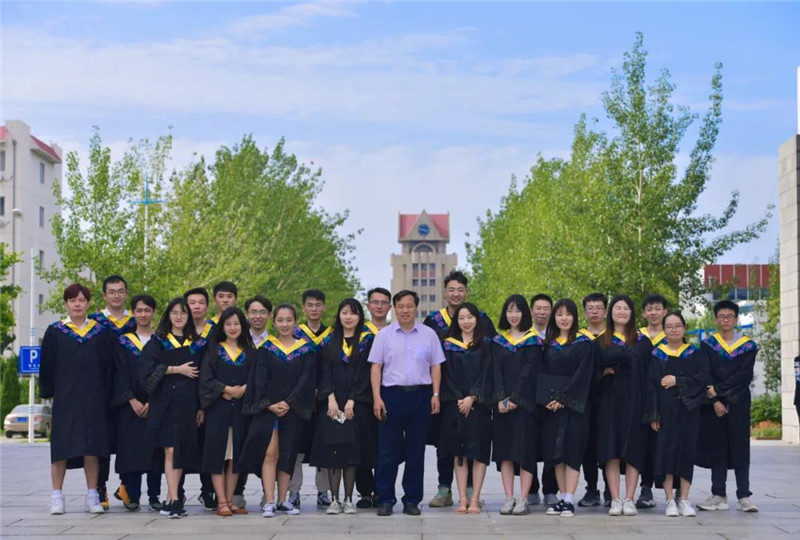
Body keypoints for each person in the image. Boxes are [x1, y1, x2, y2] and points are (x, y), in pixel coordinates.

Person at [424, 271, 496, 508]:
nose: (456, 294)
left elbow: (491, 358)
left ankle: (471, 492)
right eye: (451, 290)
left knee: (475, 443)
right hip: (447, 395)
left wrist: (475, 395)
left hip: (477, 397)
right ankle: (444, 488)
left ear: (466, 292)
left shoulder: (482, 319)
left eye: (460, 290)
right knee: (445, 443)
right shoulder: (433, 321)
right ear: (445, 292)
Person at [370, 290, 445, 516]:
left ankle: (412, 500)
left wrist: (435, 394)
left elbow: (436, 366)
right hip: (391, 396)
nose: (405, 310)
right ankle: (385, 499)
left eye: (409, 306)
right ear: (395, 308)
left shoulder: (429, 334)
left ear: (416, 308)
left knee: (416, 450)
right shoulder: (384, 335)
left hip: (420, 396)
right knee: (387, 450)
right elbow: (376, 368)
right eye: (400, 306)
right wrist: (377, 397)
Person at [41, 283, 114, 515]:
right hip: (65, 398)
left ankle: (92, 495)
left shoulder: (100, 332)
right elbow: (47, 365)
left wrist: (107, 396)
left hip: (94, 399)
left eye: (82, 300)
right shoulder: (55, 331)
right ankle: (56, 496)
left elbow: (108, 368)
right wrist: (48, 393)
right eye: (73, 300)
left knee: (92, 447)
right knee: (60, 448)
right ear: (66, 304)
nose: (77, 304)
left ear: (88, 303)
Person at [240, 304, 316, 518]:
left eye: (288, 320)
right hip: (269, 409)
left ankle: (283, 500)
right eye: (280, 320)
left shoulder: (305, 350)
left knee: (288, 454)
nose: (284, 324)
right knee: (270, 454)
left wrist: (290, 402)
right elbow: (259, 380)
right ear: (274, 322)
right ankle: (269, 500)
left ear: (295, 322)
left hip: (293, 409)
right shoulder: (266, 349)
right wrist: (270, 404)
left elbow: (306, 381)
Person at [310, 299, 376, 515]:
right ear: (338, 315)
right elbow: (323, 372)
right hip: (332, 405)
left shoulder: (367, 340)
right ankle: (334, 500)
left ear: (360, 316)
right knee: (333, 451)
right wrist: (329, 398)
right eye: (344, 312)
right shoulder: (329, 339)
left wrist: (352, 399)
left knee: (351, 452)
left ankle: (348, 499)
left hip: (356, 405)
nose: (348, 317)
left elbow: (366, 373)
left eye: (353, 313)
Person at [141, 298, 203, 519]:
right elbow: (146, 371)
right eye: (175, 312)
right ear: (168, 315)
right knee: (170, 450)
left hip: (187, 403)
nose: (179, 317)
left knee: (180, 450)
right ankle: (175, 499)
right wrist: (176, 369)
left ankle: (170, 498)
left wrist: (201, 406)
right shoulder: (157, 342)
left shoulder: (197, 344)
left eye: (183, 313)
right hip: (165, 404)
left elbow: (203, 377)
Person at [696, 300, 759, 513]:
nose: (725, 320)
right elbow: (705, 372)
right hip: (713, 403)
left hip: (739, 401)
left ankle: (744, 496)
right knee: (718, 447)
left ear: (736, 319)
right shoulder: (708, 345)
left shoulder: (748, 346)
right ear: (716, 319)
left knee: (741, 447)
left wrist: (720, 393)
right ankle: (718, 494)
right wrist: (715, 399)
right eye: (721, 316)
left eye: (729, 316)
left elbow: (744, 376)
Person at [594, 295, 654, 517]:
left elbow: (650, 376)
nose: (621, 311)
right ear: (610, 312)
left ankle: (629, 499)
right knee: (611, 450)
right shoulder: (601, 341)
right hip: (609, 404)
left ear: (632, 313)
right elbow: (591, 371)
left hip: (635, 403)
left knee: (633, 451)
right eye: (617, 308)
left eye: (626, 308)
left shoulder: (643, 342)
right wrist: (603, 372)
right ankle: (615, 499)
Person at [648, 311, 709, 518]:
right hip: (665, 410)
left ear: (684, 328)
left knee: (686, 453)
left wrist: (677, 381)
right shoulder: (657, 354)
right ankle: (669, 500)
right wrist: (654, 414)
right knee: (666, 453)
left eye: (677, 326)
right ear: (664, 330)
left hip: (688, 410)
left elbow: (702, 379)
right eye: (669, 326)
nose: (673, 329)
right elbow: (651, 386)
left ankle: (683, 499)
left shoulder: (695, 353)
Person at [541, 299, 595, 518]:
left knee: (572, 451)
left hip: (575, 406)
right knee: (557, 453)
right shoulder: (549, 344)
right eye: (560, 314)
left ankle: (570, 499)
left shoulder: (584, 343)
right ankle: (562, 498)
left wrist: (564, 398)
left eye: (568, 314)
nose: (564, 318)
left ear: (575, 317)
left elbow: (584, 376)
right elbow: (543, 375)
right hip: (552, 407)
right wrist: (549, 399)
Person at [491, 294, 544, 516]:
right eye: (509, 310)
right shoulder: (498, 342)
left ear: (525, 314)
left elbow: (529, 374)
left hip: (525, 407)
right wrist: (501, 398)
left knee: (525, 452)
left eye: (518, 310)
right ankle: (509, 497)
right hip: (502, 407)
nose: (513, 315)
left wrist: (515, 399)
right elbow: (495, 372)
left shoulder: (533, 342)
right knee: (504, 453)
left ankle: (523, 498)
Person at [199, 307, 254, 516]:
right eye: (228, 324)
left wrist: (244, 389)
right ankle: (221, 501)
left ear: (243, 326)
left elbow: (257, 378)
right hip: (218, 410)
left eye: (236, 324)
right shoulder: (213, 350)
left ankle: (230, 500)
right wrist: (226, 389)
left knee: (235, 457)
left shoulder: (250, 352)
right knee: (217, 456)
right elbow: (206, 379)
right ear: (222, 327)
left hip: (241, 411)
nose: (232, 328)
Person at [440, 303, 493, 515]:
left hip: (479, 407)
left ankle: (475, 498)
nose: (466, 322)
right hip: (456, 406)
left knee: (479, 453)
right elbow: (446, 375)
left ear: (477, 319)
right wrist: (460, 398)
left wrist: (473, 397)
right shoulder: (448, 345)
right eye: (461, 318)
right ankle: (462, 499)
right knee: (459, 453)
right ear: (457, 321)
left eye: (470, 317)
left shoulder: (486, 344)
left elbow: (488, 373)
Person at [111, 294, 161, 512]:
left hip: (154, 404)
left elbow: (163, 372)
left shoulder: (160, 341)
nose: (143, 314)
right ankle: (132, 495)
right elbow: (118, 373)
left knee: (154, 452)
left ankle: (154, 496)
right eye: (139, 310)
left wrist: (152, 400)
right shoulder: (123, 341)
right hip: (129, 406)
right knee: (130, 451)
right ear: (133, 313)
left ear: (153, 313)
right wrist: (131, 399)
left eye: (147, 310)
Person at [88, 275, 134, 509]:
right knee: (102, 440)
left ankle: (127, 486)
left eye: (121, 291)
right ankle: (100, 487)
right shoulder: (94, 323)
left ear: (126, 293)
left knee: (128, 440)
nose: (117, 295)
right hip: (101, 389)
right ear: (104, 295)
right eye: (112, 292)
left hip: (129, 389)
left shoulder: (135, 320)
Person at [289, 289, 333, 509]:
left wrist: (323, 392)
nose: (314, 309)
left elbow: (333, 369)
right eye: (310, 305)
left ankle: (323, 492)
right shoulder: (295, 333)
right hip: (299, 400)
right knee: (296, 447)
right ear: (303, 308)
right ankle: (293, 491)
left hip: (324, 399)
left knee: (323, 446)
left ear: (324, 307)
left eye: (318, 305)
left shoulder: (332, 335)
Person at [356, 287, 391, 508]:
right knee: (362, 443)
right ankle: (364, 492)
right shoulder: (359, 333)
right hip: (362, 396)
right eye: (375, 302)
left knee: (385, 445)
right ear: (368, 306)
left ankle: (381, 491)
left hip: (388, 395)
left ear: (389, 307)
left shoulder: (395, 332)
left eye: (383, 302)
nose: (379, 306)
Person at [182, 287, 217, 511]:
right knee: (181, 445)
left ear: (207, 306)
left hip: (210, 397)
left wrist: (205, 403)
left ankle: (208, 491)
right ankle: (178, 492)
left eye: (200, 302)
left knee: (207, 445)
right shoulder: (177, 332)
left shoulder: (215, 331)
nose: (196, 306)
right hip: (182, 396)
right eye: (191, 302)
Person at [636, 294, 669, 509]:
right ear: (643, 313)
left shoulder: (673, 336)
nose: (654, 313)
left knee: (668, 444)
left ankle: (672, 490)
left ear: (665, 311)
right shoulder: (637, 337)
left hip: (666, 399)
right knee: (645, 445)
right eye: (649, 309)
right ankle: (645, 488)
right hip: (641, 398)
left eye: (657, 309)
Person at [577, 292, 609, 508]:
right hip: (584, 399)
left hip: (608, 399)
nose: (594, 312)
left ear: (605, 311)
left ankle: (610, 490)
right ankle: (591, 489)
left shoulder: (613, 337)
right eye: (590, 308)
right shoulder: (578, 337)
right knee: (586, 445)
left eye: (598, 308)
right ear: (585, 312)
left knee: (607, 444)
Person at [528, 293, 558, 507]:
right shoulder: (524, 336)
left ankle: (550, 489)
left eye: (546, 308)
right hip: (528, 398)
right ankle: (531, 488)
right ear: (531, 311)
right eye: (538, 308)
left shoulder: (558, 337)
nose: (542, 312)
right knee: (528, 443)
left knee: (551, 443)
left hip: (551, 398)